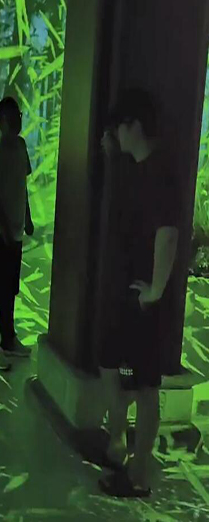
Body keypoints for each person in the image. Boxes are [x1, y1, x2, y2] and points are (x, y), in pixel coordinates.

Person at [98, 89, 181, 498]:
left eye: (119, 126)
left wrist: (155, 291)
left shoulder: (160, 171)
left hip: (143, 304)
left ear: (134, 125)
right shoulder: (138, 167)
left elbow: (169, 235)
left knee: (147, 388)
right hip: (128, 298)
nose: (116, 133)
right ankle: (121, 449)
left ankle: (139, 474)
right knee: (117, 370)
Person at [0, 96, 34, 371]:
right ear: (0, 122)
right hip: (0, 235)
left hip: (15, 233)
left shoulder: (21, 146)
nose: (16, 122)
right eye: (10, 117)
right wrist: (4, 234)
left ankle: (9, 338)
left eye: (18, 116)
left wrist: (27, 218)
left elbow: (22, 184)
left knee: (10, 288)